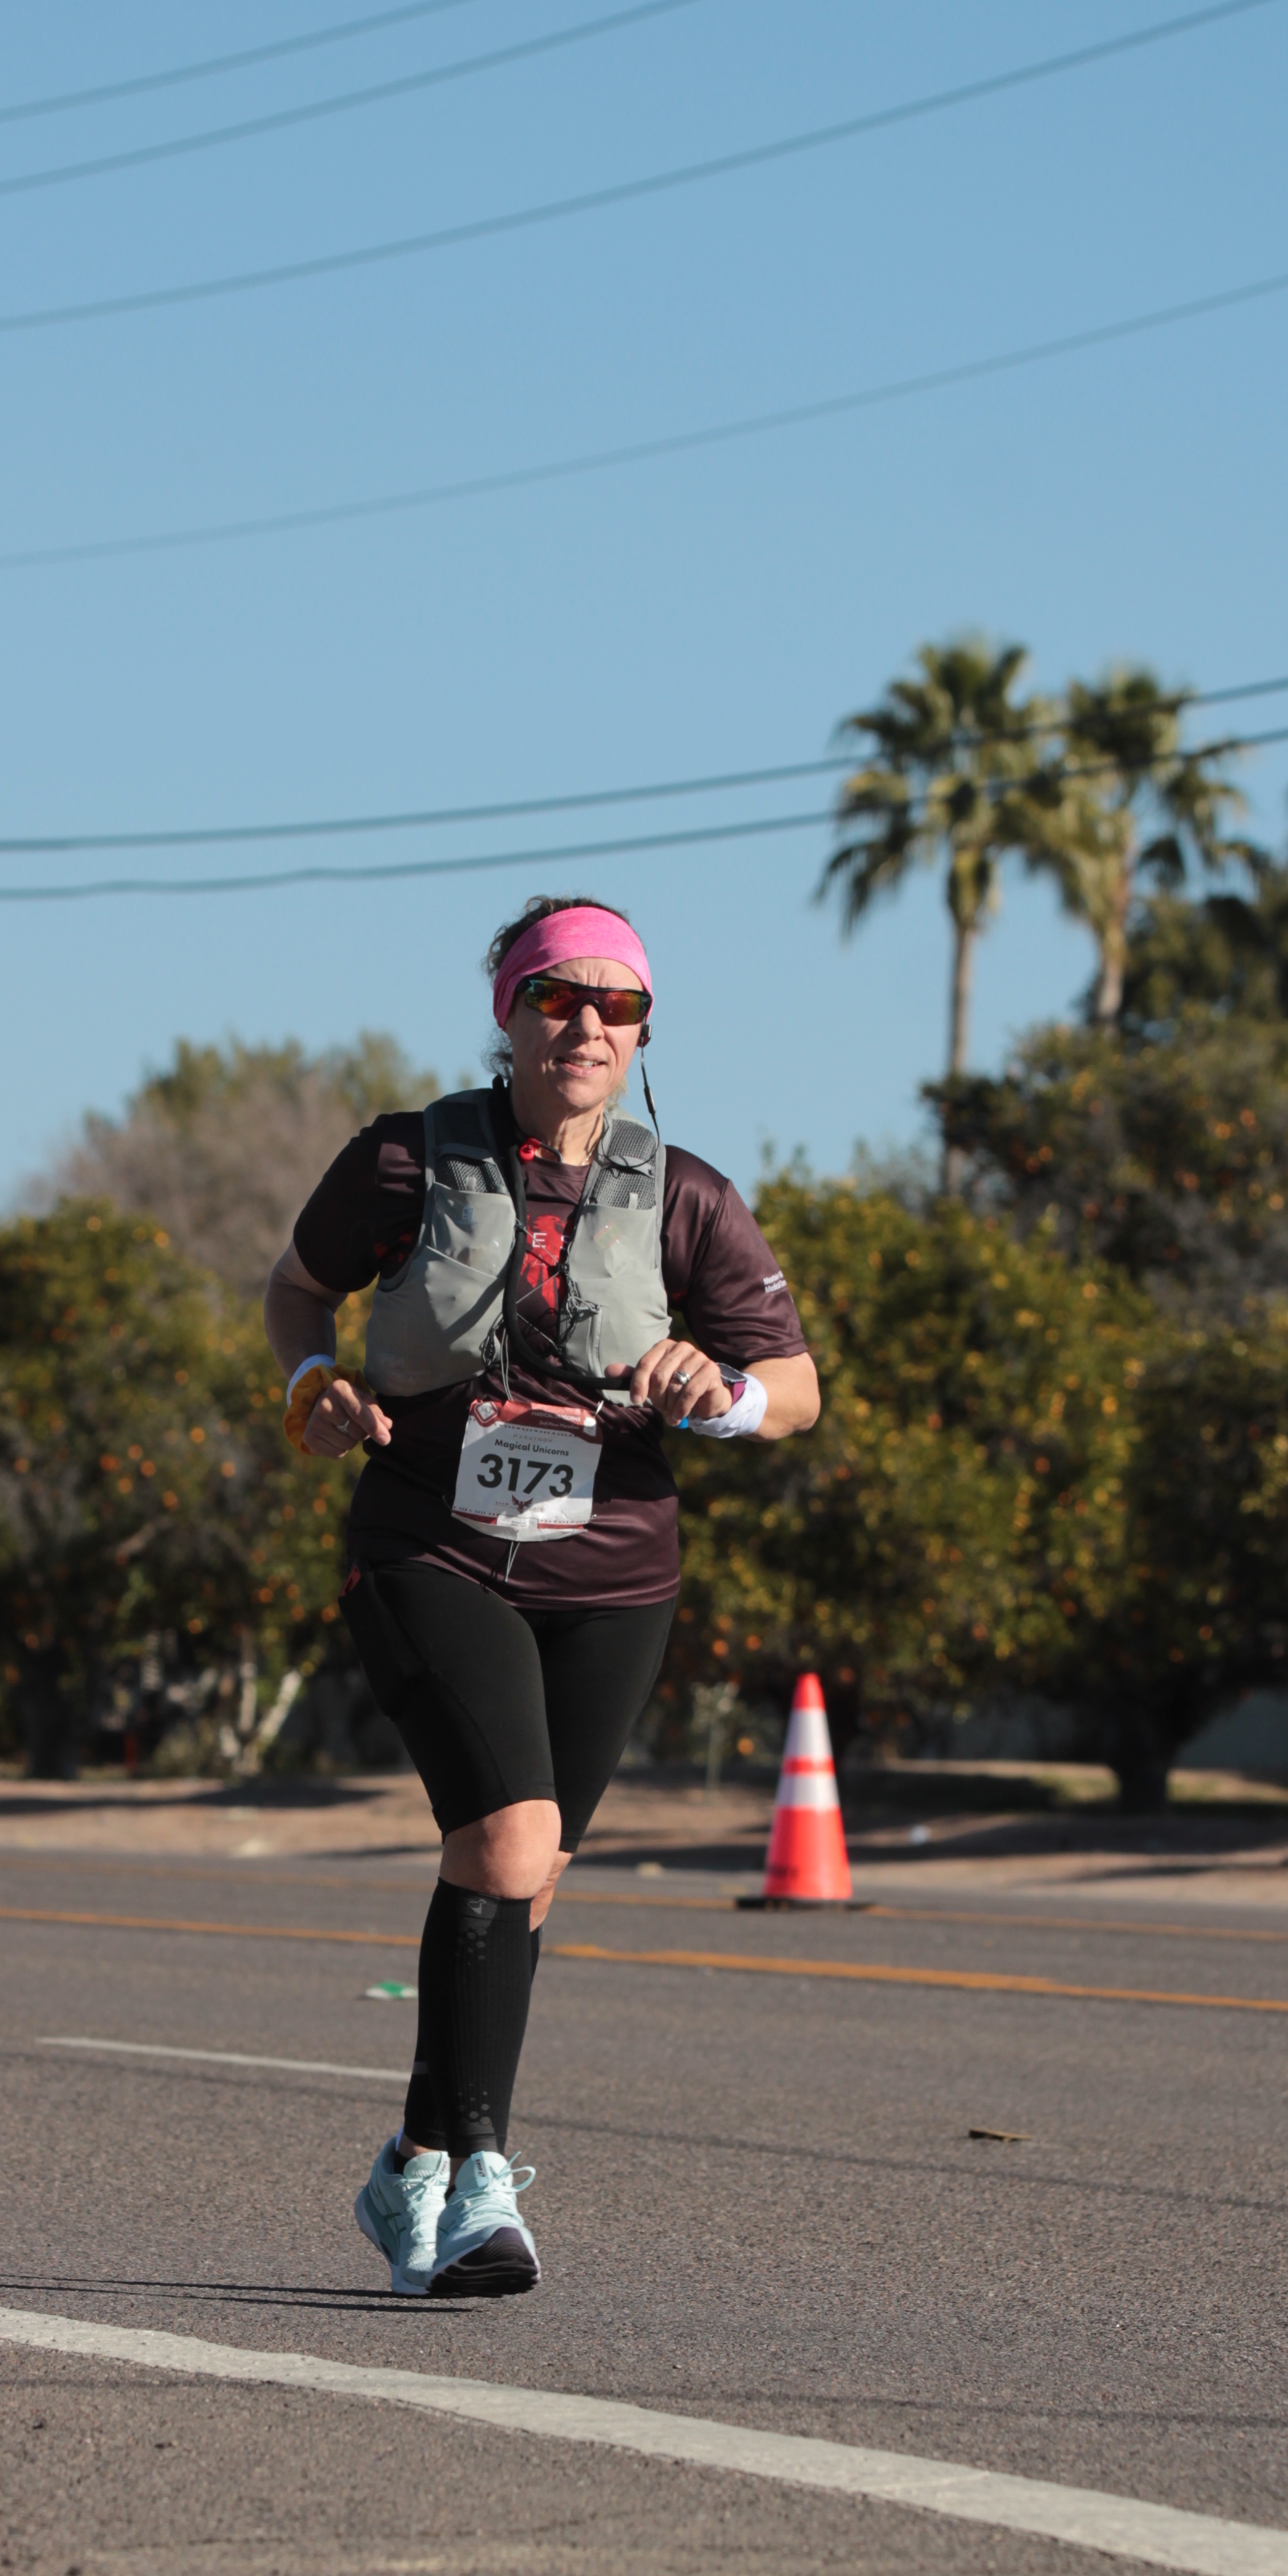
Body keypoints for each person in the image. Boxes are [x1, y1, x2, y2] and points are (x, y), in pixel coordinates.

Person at [264, 896, 821, 2297]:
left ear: (643, 1032)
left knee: (526, 1874)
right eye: (556, 998)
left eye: (616, 1005)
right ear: (507, 1013)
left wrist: (723, 1391)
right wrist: (311, 1383)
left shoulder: (688, 1194)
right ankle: (478, 2188)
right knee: (508, 1842)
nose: (586, 1025)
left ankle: (412, 2164)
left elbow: (797, 1390)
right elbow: (297, 1290)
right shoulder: (404, 1160)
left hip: (614, 1571)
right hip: (430, 1545)